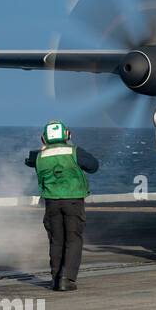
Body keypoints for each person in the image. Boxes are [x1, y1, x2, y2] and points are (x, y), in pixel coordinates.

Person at [24, 121, 99, 292]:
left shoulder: (39, 156)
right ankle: (67, 279)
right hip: (73, 201)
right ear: (67, 135)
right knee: (73, 239)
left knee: (56, 240)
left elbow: (29, 161)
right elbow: (94, 166)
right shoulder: (74, 152)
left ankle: (56, 278)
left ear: (44, 139)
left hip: (51, 203)